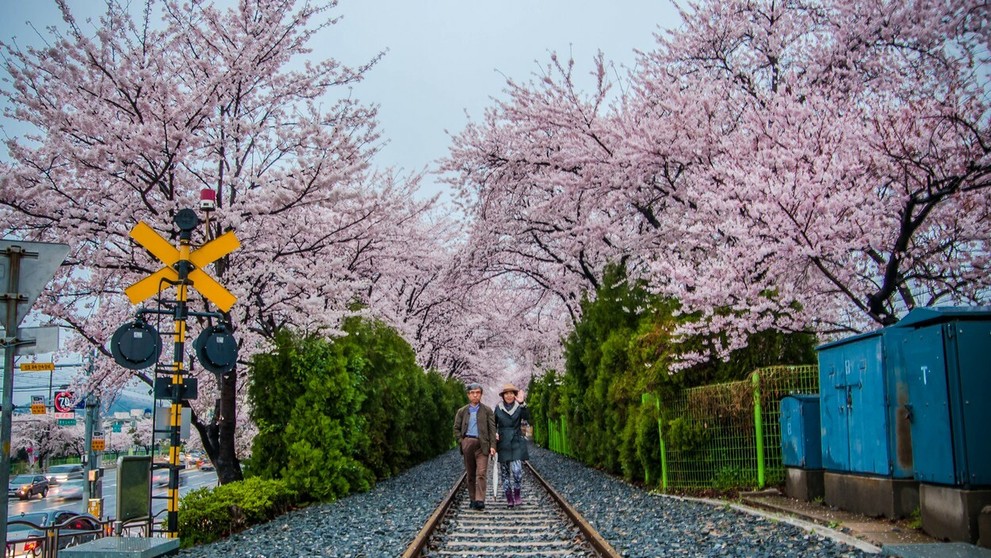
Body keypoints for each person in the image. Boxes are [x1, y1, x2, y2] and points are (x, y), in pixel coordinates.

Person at [453, 382, 496, 510]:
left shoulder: (487, 410)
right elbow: (456, 428)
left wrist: (493, 445)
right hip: (468, 443)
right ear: (468, 395)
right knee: (470, 473)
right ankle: (472, 498)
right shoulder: (462, 411)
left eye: (477, 393)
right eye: (472, 393)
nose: (475, 395)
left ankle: (480, 500)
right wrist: (462, 441)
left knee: (481, 473)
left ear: (481, 394)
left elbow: (492, 429)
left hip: (482, 445)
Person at [494, 383, 530, 507]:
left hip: (516, 440)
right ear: (503, 395)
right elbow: (493, 423)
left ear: (514, 395)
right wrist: (494, 433)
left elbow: (527, 417)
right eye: (506, 393)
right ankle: (509, 497)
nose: (509, 396)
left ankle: (517, 494)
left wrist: (522, 403)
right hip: (503, 441)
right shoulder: (498, 408)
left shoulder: (519, 407)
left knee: (517, 470)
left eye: (511, 393)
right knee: (504, 472)